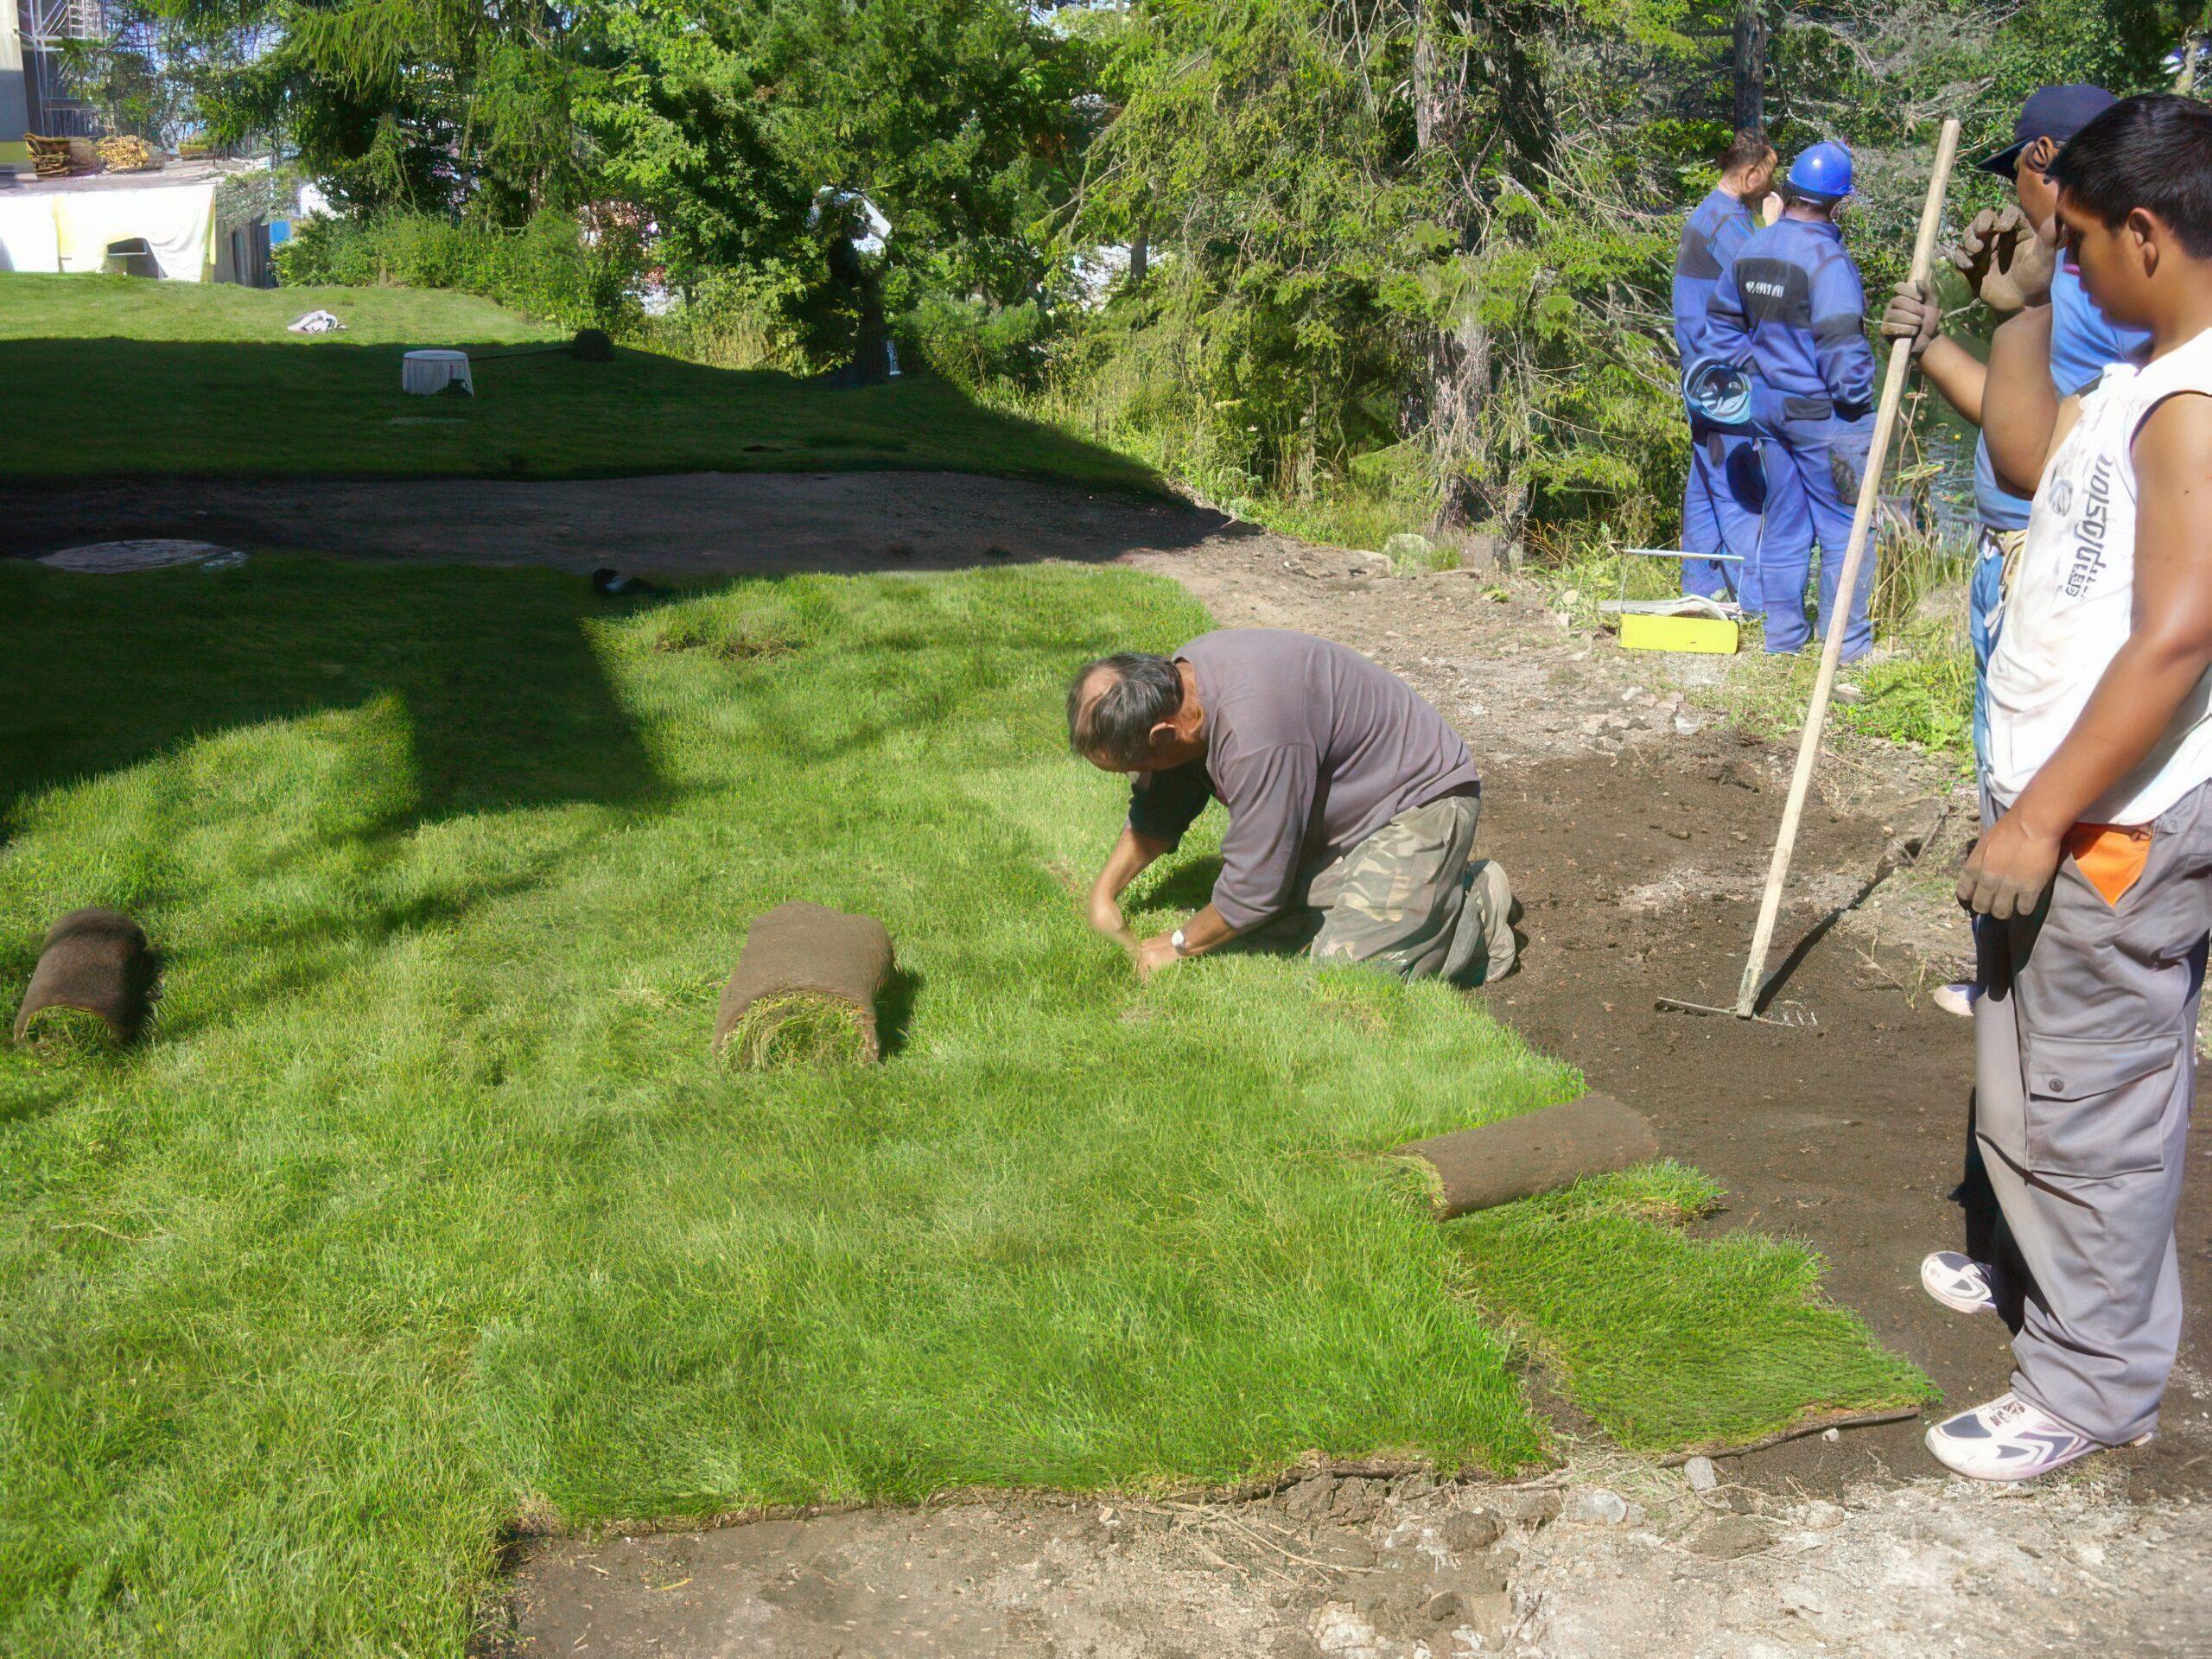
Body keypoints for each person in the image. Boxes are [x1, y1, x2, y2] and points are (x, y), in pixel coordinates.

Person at [1922, 92, 2212, 1482]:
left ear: (2147, 232)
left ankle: (2091, 1389)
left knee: (2094, 1106)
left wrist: (2043, 816)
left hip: (2109, 822)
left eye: (2083, 244)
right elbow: (2031, 461)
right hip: (2063, 797)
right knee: (2036, 1083)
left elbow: (2184, 632)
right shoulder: (2154, 369)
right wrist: (2022, 310)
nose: (2076, 263)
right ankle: (2047, 1293)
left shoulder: (2198, 399)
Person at [1067, 630, 1515, 984]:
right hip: (1348, 816)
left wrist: (1179, 944)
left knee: (1349, 971)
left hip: (1422, 803)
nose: (1137, 776)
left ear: (1163, 736)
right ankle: (1413, 894)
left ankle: (1471, 911)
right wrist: (1103, 895)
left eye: (1136, 766)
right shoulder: (1179, 686)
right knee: (1268, 933)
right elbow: (1163, 803)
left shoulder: (1255, 734)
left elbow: (1254, 890)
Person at [1706, 141, 1880, 658]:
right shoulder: (1829, 261)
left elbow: (1722, 324)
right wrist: (1857, 403)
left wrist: (1756, 373)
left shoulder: (1754, 247)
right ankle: (1846, 646)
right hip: (1823, 415)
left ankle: (1783, 639)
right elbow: (1843, 348)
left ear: (1791, 190)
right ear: (1839, 202)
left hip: (1768, 410)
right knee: (1847, 527)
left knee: (1784, 520)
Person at [1673, 129, 1779, 606]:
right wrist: (1774, 228)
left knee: (1705, 481)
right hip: (1722, 383)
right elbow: (1767, 282)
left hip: (1703, 376)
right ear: (1751, 174)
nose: (1772, 185)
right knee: (1740, 487)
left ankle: (1701, 588)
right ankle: (1759, 603)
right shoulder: (1722, 223)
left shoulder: (1719, 214)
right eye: (1769, 175)